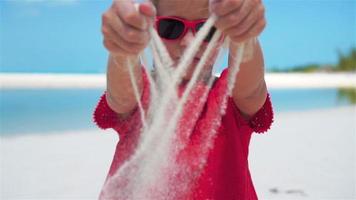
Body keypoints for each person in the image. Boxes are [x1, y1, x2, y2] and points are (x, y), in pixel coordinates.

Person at [94, 0, 273, 199]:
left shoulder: (229, 97)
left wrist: (245, 35)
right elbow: (120, 94)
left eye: (206, 30)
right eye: (170, 27)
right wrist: (122, 49)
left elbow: (251, 90)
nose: (188, 42)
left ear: (223, 35)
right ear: (150, 31)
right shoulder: (141, 94)